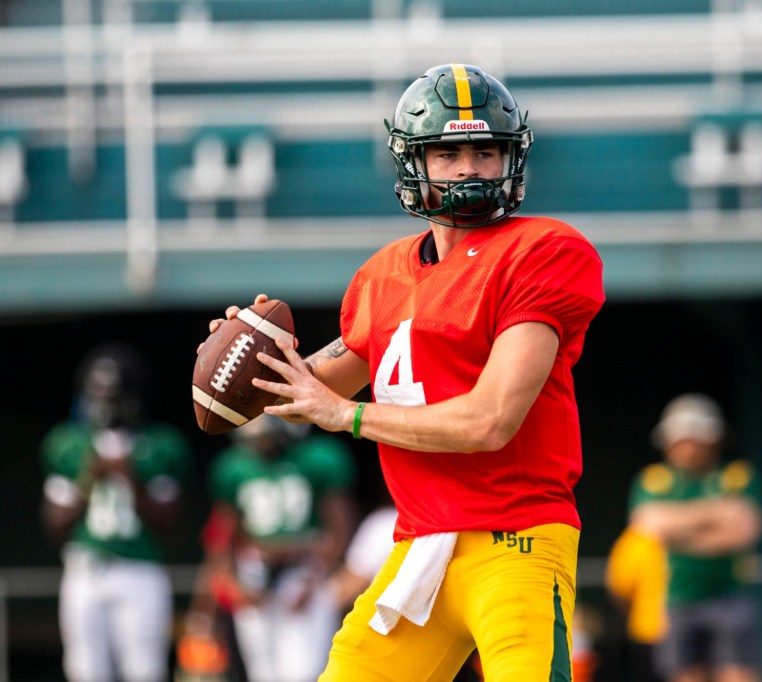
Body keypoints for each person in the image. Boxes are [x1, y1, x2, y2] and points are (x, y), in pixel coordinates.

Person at [202, 63, 605, 681]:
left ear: (510, 159)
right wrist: (251, 359)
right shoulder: (384, 274)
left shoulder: (542, 251)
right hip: (421, 546)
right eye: (449, 153)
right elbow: (306, 394)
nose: (470, 169)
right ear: (415, 162)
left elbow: (490, 421)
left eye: (485, 151)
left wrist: (347, 415)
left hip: (516, 540)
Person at [40, 342, 193, 682]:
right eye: (97, 393)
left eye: (113, 394)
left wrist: (131, 478)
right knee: (85, 670)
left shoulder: (159, 445)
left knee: (144, 670)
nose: (104, 403)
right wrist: (89, 478)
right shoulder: (68, 443)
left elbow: (170, 525)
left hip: (141, 569)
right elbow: (54, 525)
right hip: (85, 569)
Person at [611, 393, 762, 682]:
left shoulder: (737, 476)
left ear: (713, 439)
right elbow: (647, 524)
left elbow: (743, 532)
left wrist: (677, 533)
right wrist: (716, 514)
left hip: (729, 595)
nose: (687, 449)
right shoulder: (654, 480)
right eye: (680, 441)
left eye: (694, 440)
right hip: (675, 599)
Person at [201, 414, 359, 682]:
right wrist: (232, 582)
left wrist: (316, 576)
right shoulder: (235, 467)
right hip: (255, 571)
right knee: (262, 672)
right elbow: (222, 534)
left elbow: (340, 527)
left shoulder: (315, 459)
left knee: (304, 671)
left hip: (304, 568)